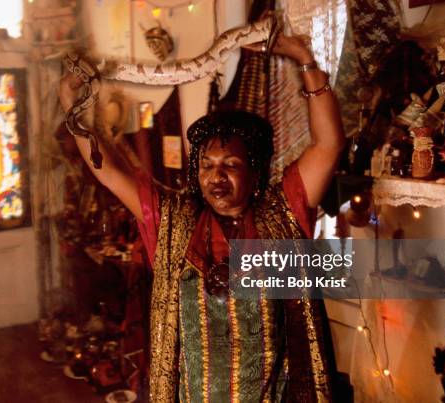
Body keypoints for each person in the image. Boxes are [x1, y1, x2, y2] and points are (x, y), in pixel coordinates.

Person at [59, 33, 344, 403]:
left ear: (255, 173)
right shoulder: (174, 223)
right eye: (207, 165)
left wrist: (305, 61)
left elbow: (329, 145)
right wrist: (73, 103)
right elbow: (108, 170)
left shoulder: (283, 214)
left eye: (231, 165)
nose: (216, 177)